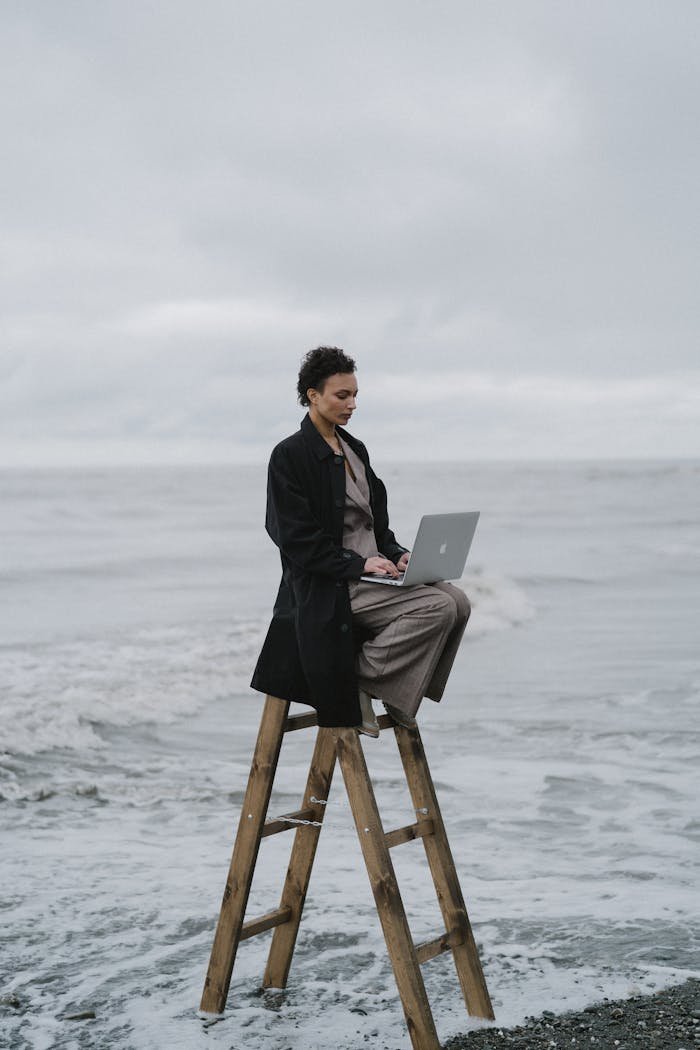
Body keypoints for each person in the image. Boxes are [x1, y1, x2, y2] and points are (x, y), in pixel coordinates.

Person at [250, 346, 471, 736]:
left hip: (372, 575)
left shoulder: (355, 449)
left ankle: (401, 692)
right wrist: (358, 564)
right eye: (342, 395)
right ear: (312, 395)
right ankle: (362, 681)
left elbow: (377, 528)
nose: (352, 404)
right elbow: (293, 539)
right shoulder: (289, 456)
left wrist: (400, 555)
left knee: (459, 602)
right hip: (329, 585)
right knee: (437, 607)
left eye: (355, 395)